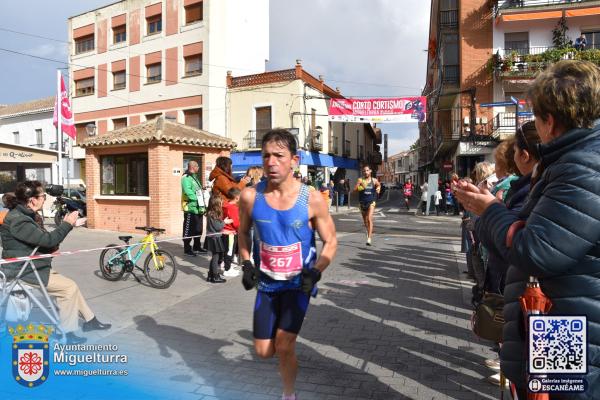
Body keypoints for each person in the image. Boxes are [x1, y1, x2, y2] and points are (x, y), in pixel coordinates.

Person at [454, 60, 600, 398]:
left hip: (566, 322)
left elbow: (538, 250)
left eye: (535, 116)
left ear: (549, 121)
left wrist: (489, 210)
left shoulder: (581, 167)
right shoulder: (575, 160)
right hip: (566, 315)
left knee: (553, 394)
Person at [238, 129, 337, 400]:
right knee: (263, 351)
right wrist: (247, 263)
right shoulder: (249, 197)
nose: (271, 162)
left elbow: (331, 241)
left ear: (294, 160)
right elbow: (243, 233)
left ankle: (288, 393)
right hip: (267, 285)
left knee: (283, 345)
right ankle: (286, 359)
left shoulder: (312, 198)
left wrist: (316, 272)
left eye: (278, 156)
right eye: (266, 156)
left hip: (298, 284)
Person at [0, 181, 111, 344]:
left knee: (71, 286)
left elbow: (38, 242)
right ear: (32, 200)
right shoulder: (20, 220)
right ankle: (66, 334)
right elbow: (48, 239)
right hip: (23, 270)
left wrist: (64, 231)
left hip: (33, 266)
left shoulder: (23, 215)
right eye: (43, 196)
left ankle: (90, 320)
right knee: (68, 288)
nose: (45, 199)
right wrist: (67, 224)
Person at [203, 194, 233, 283]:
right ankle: (215, 276)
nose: (221, 204)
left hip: (214, 237)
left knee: (215, 257)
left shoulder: (211, 213)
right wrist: (225, 222)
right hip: (214, 238)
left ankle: (211, 275)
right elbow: (218, 227)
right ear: (216, 204)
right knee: (216, 257)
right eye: (220, 203)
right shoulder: (213, 214)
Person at [181, 160, 206, 257]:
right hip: (190, 208)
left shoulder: (194, 177)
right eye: (197, 166)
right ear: (193, 167)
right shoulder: (186, 177)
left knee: (198, 229)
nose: (198, 168)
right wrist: (197, 199)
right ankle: (187, 249)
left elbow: (196, 190)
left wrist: (202, 190)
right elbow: (188, 191)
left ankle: (197, 246)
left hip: (198, 208)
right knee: (188, 229)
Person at [355, 165, 381, 246]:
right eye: (364, 171)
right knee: (365, 221)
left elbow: (379, 185)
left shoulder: (374, 180)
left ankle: (369, 238)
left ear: (370, 171)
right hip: (362, 202)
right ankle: (367, 230)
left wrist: (378, 188)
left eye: (367, 170)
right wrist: (360, 187)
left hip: (371, 202)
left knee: (369, 218)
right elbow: (355, 189)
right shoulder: (360, 180)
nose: (365, 172)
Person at [222, 187, 241, 277]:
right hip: (230, 233)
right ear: (237, 197)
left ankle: (227, 266)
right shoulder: (233, 208)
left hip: (225, 231)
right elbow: (236, 222)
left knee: (227, 250)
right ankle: (227, 269)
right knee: (229, 251)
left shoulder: (225, 205)